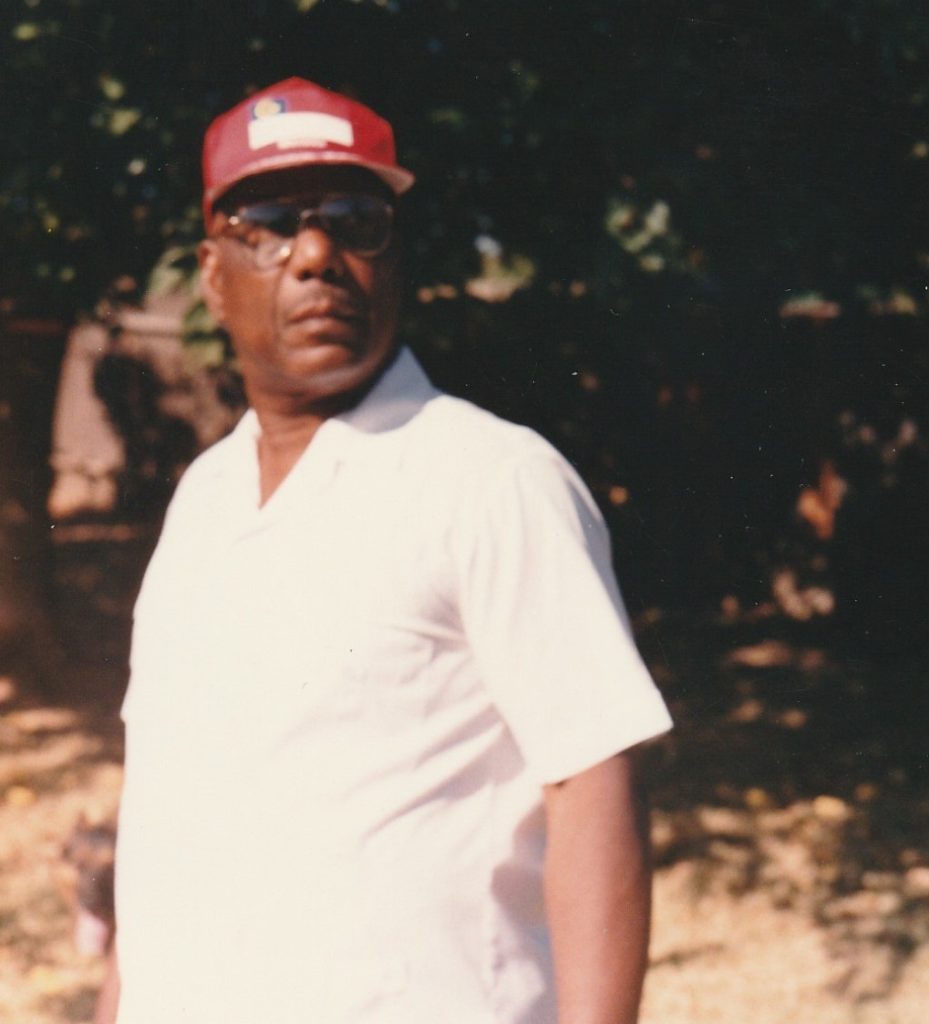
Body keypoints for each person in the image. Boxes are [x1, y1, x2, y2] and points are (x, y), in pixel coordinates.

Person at [97, 77, 672, 1024]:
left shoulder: (490, 479)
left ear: (394, 260)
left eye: (355, 220)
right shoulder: (201, 505)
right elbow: (169, 813)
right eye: (272, 223)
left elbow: (593, 779)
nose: (317, 254)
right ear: (211, 273)